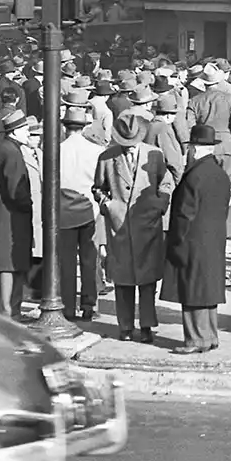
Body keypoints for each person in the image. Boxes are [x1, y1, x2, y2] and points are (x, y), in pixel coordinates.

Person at [98, 107, 169, 342]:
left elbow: (166, 183)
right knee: (123, 280)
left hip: (148, 226)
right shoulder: (107, 157)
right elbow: (98, 188)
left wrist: (159, 205)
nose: (129, 146)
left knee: (148, 280)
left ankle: (147, 325)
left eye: (133, 142)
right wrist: (108, 205)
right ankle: (125, 327)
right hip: (119, 229)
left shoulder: (154, 155)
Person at [166, 123, 231, 353]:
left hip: (192, 240)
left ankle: (195, 340)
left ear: (194, 148)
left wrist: (175, 241)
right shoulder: (220, 174)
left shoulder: (194, 176)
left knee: (191, 291)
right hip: (214, 239)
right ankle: (210, 335)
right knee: (208, 291)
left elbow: (184, 214)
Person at [0, 108, 35, 318]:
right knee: (9, 264)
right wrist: (29, 204)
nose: (28, 134)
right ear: (15, 131)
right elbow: (16, 191)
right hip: (12, 217)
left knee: (0, 263)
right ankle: (9, 311)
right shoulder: (12, 153)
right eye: (25, 130)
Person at [56, 100, 105, 323]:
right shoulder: (96, 151)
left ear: (65, 126)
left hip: (64, 209)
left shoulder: (56, 150)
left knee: (66, 262)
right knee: (89, 259)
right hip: (90, 208)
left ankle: (66, 306)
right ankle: (89, 304)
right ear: (84, 126)